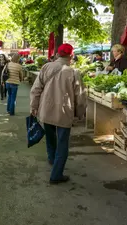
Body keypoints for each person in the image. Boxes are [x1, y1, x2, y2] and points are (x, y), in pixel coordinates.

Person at [30, 43, 87, 184]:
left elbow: (36, 89)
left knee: (50, 137)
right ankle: (56, 175)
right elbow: (80, 97)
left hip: (46, 110)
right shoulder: (74, 72)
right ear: (71, 56)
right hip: (64, 112)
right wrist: (80, 113)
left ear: (57, 54)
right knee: (62, 143)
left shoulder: (46, 67)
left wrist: (34, 106)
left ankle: (51, 158)